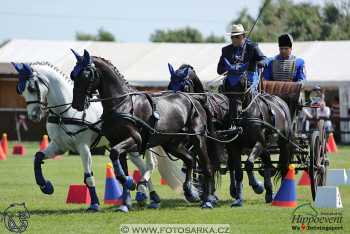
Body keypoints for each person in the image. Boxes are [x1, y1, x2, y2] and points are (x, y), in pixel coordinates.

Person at [217, 24, 267, 93]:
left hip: (249, 80)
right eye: (232, 37)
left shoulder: (252, 47)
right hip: (231, 81)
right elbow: (219, 69)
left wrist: (261, 63)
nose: (234, 39)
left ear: (243, 36)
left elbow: (264, 59)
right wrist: (231, 70)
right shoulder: (226, 50)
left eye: (237, 37)